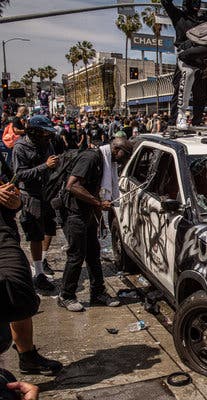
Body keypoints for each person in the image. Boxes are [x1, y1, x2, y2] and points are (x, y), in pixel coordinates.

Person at [1, 153, 63, 380]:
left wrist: (14, 201)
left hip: (5, 237)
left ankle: (27, 356)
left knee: (19, 295)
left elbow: (13, 185)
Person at [57, 138, 132, 311]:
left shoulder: (105, 162)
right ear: (116, 149)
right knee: (76, 255)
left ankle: (98, 293)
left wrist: (100, 220)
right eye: (125, 154)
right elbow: (72, 185)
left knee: (93, 253)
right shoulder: (91, 158)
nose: (125, 159)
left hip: (88, 213)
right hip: (74, 212)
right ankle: (66, 295)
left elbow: (95, 190)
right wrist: (98, 203)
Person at [162, 0, 207, 129]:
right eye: (193, 2)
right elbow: (166, 2)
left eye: (198, 2)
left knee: (201, 94)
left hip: (200, 62)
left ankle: (197, 121)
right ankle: (174, 121)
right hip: (185, 59)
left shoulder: (204, 20)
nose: (196, 5)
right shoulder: (179, 16)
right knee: (180, 90)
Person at [11, 116, 58, 291]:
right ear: (35, 132)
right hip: (31, 196)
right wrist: (45, 166)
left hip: (47, 193)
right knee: (35, 234)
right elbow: (20, 174)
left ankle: (42, 261)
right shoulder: (20, 147)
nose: (48, 137)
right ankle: (38, 273)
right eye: (45, 133)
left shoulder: (47, 144)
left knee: (49, 229)